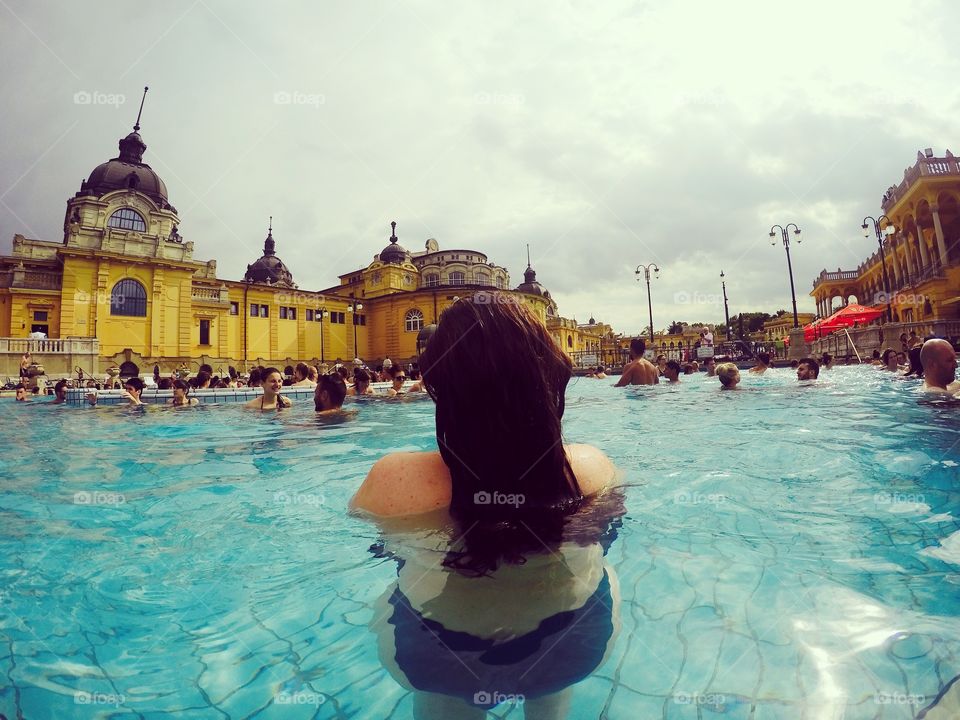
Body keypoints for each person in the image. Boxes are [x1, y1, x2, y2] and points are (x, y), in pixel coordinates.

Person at [350, 293, 622, 715]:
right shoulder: (593, 468)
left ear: (439, 381)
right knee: (598, 567)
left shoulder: (392, 478)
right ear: (548, 374)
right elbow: (609, 533)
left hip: (436, 656)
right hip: (572, 646)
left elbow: (377, 547)